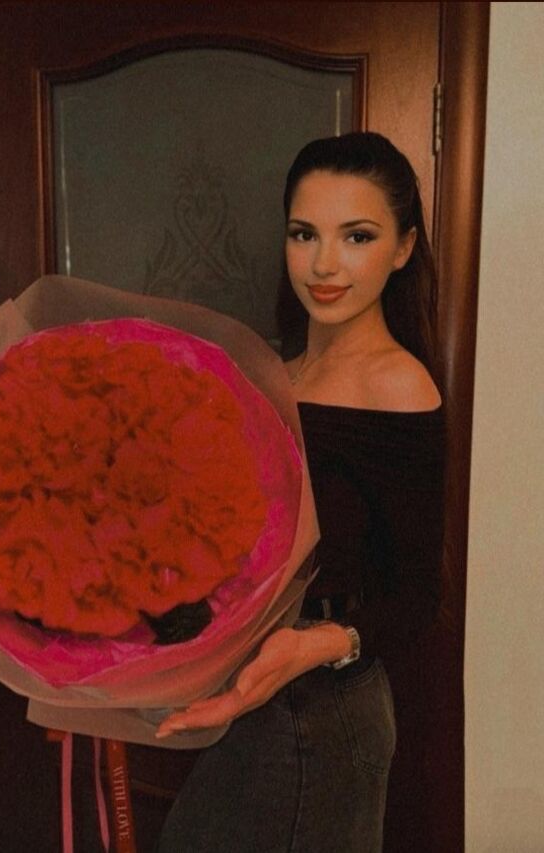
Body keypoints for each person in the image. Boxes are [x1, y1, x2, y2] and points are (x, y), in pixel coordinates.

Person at [155, 131, 445, 852]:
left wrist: (313, 647)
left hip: (323, 707)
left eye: (357, 236)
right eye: (304, 233)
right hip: (252, 693)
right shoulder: (274, 374)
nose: (323, 263)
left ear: (404, 248)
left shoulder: (397, 385)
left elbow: (417, 595)